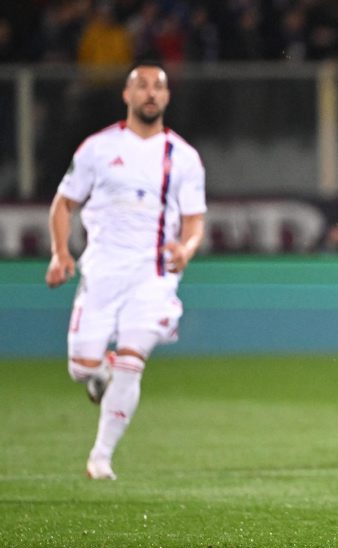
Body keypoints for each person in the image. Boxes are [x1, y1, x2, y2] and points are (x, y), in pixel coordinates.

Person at [45, 62, 206, 481]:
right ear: (127, 95)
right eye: (142, 86)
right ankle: (99, 372)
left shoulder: (183, 157)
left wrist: (187, 248)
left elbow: (194, 220)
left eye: (158, 87)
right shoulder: (97, 149)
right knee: (81, 366)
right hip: (102, 272)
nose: (151, 93)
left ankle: (100, 458)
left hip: (153, 275)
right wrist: (60, 253)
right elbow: (63, 204)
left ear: (167, 97)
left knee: (133, 362)